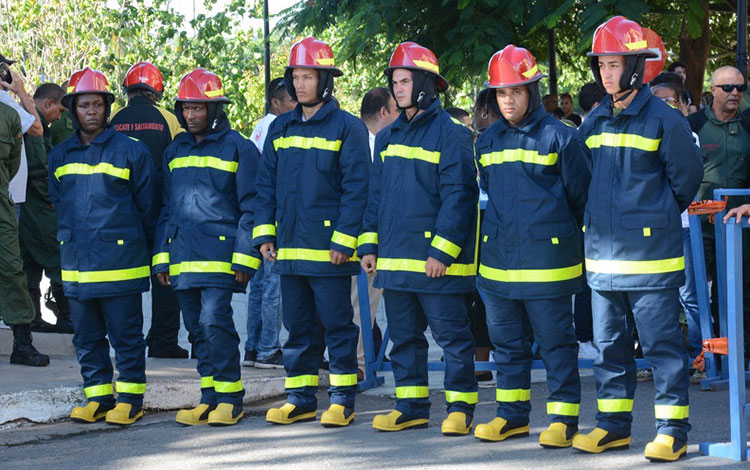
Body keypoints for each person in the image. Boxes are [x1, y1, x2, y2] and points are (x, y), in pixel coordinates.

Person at [573, 17, 703, 462]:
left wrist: (654, 216)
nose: (607, 74)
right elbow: (580, 180)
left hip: (650, 262)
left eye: (614, 64)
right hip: (604, 263)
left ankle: (672, 431)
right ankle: (613, 427)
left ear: (634, 66)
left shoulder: (665, 120)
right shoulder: (594, 122)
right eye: (602, 66)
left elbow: (686, 182)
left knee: (663, 350)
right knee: (609, 350)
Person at [359, 41, 479, 436]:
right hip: (395, 262)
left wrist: (441, 250)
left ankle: (460, 407)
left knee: (453, 339)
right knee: (405, 339)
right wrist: (369, 245)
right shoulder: (389, 136)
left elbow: (459, 197)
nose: (398, 88)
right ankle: (411, 407)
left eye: (406, 80)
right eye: (395, 81)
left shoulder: (453, 135)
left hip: (435, 264)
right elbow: (374, 196)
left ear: (427, 83)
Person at [473, 45, 590, 447]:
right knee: (506, 347)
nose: (508, 100)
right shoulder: (485, 142)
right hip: (499, 265)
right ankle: (511, 416)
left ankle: (562, 420)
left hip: (549, 264)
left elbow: (581, 197)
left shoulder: (562, 137)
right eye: (501, 93)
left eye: (517, 92)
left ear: (533, 92)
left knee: (557, 345)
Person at [254, 37, 369, 428]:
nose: (300, 85)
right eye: (296, 77)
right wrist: (264, 234)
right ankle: (300, 398)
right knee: (297, 327)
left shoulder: (347, 127)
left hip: (330, 252)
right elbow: (265, 184)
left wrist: (344, 239)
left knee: (337, 326)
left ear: (326, 80)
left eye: (308, 76)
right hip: (289, 250)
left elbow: (357, 188)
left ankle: (341, 399)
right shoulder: (279, 128)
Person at [50, 67, 159, 424]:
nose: (92, 111)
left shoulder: (132, 151)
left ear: (108, 107)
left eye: (98, 104)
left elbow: (148, 207)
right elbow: (58, 203)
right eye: (84, 105)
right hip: (78, 265)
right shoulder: (60, 155)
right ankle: (98, 396)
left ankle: (130, 398)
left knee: (126, 336)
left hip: (120, 263)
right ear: (73, 109)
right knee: (87, 337)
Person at [153, 68, 260, 426]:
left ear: (215, 109)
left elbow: (252, 207)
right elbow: (166, 210)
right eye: (186, 108)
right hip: (182, 258)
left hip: (220, 258)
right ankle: (209, 396)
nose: (191, 115)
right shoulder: (174, 150)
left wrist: (246, 257)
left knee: (215, 322)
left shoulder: (240, 148)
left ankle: (231, 397)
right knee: (196, 330)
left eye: (198, 108)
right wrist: (162, 260)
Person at [110, 61, 187, 359]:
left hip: (119, 210)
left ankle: (126, 342)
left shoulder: (112, 118)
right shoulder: (168, 119)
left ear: (128, 90)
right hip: (159, 209)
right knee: (164, 276)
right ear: (157, 90)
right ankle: (163, 341)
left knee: (123, 279)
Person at [689, 66, 750, 360]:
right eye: (728, 88)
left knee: (742, 289)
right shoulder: (694, 124)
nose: (735, 93)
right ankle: (711, 354)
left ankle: (741, 353)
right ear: (712, 90)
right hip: (700, 226)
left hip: (740, 224)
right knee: (700, 292)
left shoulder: (749, 124)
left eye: (740, 87)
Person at [649, 73, 702, 377]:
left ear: (684, 104)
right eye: (657, 102)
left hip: (683, 226)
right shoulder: (645, 134)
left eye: (669, 101)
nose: (663, 108)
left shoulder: (686, 135)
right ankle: (663, 360)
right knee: (659, 299)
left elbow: (684, 183)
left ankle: (697, 356)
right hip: (655, 229)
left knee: (689, 296)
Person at [0, 54, 49, 367]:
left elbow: (12, 161)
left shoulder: (9, 113)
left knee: (12, 267)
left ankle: (22, 341)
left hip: (1, 203)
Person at [243, 77, 296, 370]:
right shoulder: (274, 127)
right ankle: (267, 348)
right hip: (272, 216)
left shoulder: (261, 127)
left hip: (261, 216)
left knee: (261, 284)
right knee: (272, 284)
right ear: (276, 103)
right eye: (291, 101)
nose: (296, 105)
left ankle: (253, 347)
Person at [18, 83, 72, 334]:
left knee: (29, 261)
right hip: (39, 204)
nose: (60, 117)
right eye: (59, 110)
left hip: (24, 204)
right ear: (48, 103)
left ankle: (32, 317)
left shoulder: (28, 120)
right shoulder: (33, 125)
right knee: (57, 256)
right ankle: (67, 317)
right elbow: (39, 169)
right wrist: (52, 198)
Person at [354, 86, 398, 379]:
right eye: (396, 110)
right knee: (363, 304)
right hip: (371, 241)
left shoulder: (351, 140)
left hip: (357, 239)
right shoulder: (374, 146)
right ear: (384, 113)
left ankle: (364, 360)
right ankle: (359, 364)